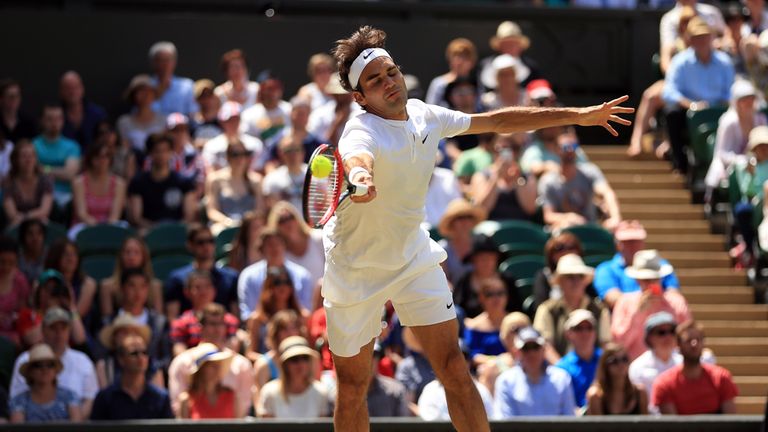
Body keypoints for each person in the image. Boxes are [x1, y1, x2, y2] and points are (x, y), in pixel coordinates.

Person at [325, 25, 631, 432]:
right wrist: (360, 178)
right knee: (352, 387)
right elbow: (357, 159)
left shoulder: (425, 114)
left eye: (391, 72)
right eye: (375, 81)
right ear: (360, 98)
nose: (388, 83)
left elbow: (499, 120)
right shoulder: (360, 130)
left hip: (412, 256)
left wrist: (578, 115)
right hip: (355, 268)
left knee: (453, 366)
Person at [663, 17, 734, 174]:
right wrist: (691, 105)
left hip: (719, 110)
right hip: (690, 111)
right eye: (697, 37)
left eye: (704, 36)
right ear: (690, 40)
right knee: (672, 113)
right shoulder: (680, 62)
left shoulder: (725, 62)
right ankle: (680, 164)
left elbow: (731, 91)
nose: (701, 40)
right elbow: (669, 92)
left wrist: (723, 103)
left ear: (711, 37)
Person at [10, 306, 98, 417]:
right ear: (43, 330)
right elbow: (16, 401)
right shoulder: (25, 360)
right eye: (53, 328)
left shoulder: (83, 361)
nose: (58, 333)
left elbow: (90, 399)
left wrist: (72, 423)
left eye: (63, 328)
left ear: (69, 330)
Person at [168, 305, 253, 417]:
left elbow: (243, 408)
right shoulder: (181, 362)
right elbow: (178, 407)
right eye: (212, 324)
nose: (217, 329)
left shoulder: (242, 364)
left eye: (221, 324)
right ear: (200, 327)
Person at [611, 250, 692, 360]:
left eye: (654, 279)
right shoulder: (624, 302)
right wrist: (637, 313)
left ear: (661, 278)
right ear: (637, 280)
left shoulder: (677, 302)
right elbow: (619, 344)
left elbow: (688, 339)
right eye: (645, 280)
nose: (650, 284)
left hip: (671, 368)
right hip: (634, 371)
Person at [627, 311, 714, 409]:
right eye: (661, 332)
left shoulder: (686, 362)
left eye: (672, 331)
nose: (668, 336)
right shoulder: (637, 367)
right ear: (649, 337)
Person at [533, 254, 610, 363]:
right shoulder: (547, 310)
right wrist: (563, 371)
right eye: (570, 277)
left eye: (580, 276)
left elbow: (605, 345)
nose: (576, 281)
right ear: (560, 281)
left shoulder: (599, 309)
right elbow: (545, 346)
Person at [651, 320, 738, 414]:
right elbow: (672, 427)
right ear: (678, 345)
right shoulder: (665, 384)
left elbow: (730, 423)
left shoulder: (721, 378)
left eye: (698, 339)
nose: (694, 344)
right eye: (688, 340)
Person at [538, 134, 621, 231]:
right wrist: (569, 218)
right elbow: (548, 215)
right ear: (556, 150)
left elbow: (607, 193)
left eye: (574, 146)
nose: (570, 150)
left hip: (590, 229)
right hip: (564, 231)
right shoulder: (548, 181)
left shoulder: (589, 172)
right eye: (565, 147)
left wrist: (615, 218)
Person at [594, 220, 680, 309]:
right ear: (618, 244)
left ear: (643, 242)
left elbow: (673, 294)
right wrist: (645, 300)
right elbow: (613, 298)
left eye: (636, 241)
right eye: (627, 241)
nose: (633, 246)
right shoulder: (606, 269)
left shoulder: (662, 266)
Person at [493, 326, 576, 417]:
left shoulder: (561, 378)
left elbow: (570, 418)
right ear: (517, 352)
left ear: (544, 349)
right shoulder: (505, 381)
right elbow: (504, 421)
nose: (531, 353)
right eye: (526, 348)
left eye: (535, 347)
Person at [704, 79, 765, 202]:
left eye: (751, 98)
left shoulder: (761, 119)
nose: (749, 102)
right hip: (732, 169)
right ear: (736, 102)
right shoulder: (728, 122)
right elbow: (722, 153)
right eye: (744, 99)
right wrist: (742, 161)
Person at [90, 334, 174, 420]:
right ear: (121, 359)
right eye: (134, 353)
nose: (141, 357)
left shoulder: (161, 398)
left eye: (144, 352)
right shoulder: (105, 398)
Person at [164, 225, 239, 320]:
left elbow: (235, 316)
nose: (206, 246)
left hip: (223, 332)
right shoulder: (176, 278)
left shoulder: (231, 277)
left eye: (210, 241)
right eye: (200, 242)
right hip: (188, 332)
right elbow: (173, 318)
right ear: (190, 245)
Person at [238, 227, 314, 320]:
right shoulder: (249, 276)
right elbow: (248, 314)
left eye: (278, 243)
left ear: (285, 246)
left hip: (293, 329)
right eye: (270, 244)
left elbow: (306, 312)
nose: (275, 248)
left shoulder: (302, 275)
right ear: (261, 248)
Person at [105, 269, 170, 374]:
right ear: (122, 289)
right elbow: (102, 356)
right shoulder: (109, 322)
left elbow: (166, 358)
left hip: (152, 379)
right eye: (132, 286)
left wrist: (146, 369)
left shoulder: (159, 323)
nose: (137, 291)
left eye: (143, 286)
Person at [127, 133, 196, 231]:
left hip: (178, 231)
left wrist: (173, 229)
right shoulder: (138, 182)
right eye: (157, 151)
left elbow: (189, 216)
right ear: (149, 153)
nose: (161, 155)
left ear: (171, 152)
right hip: (148, 231)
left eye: (165, 151)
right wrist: (157, 230)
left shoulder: (184, 182)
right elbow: (136, 218)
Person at [256, 336, 333, 418]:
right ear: (284, 365)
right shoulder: (269, 392)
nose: (301, 364)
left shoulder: (321, 392)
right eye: (294, 359)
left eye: (305, 358)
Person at [418, 341, 495, 421]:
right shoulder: (431, 390)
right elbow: (429, 424)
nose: (456, 364)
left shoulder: (481, 390)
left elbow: (490, 421)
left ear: (468, 363)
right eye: (450, 359)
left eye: (462, 359)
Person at [452, 234, 522, 318]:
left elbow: (518, 311)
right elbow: (455, 310)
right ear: (473, 260)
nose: (486, 262)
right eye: (482, 258)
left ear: (496, 259)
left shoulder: (507, 280)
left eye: (490, 258)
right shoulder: (464, 280)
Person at [8, 343, 82, 423]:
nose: (44, 369)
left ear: (55, 370)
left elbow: (77, 427)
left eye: (50, 365)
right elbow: (17, 429)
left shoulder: (70, 396)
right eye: (38, 365)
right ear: (30, 371)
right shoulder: (19, 401)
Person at [204, 138, 264, 234]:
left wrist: (244, 225)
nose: (240, 159)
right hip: (224, 226)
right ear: (227, 157)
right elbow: (212, 211)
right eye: (235, 154)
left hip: (249, 229)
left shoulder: (256, 181)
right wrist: (228, 222)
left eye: (244, 154)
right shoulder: (215, 179)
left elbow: (259, 211)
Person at [170, 274, 239, 356]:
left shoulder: (229, 320)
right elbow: (179, 352)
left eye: (207, 286)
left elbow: (232, 346)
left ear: (214, 290)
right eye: (197, 287)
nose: (203, 291)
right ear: (187, 292)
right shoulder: (181, 323)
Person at [70, 139, 127, 236]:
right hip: (85, 225)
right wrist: (97, 227)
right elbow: (81, 213)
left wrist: (105, 229)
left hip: (110, 226)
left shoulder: (119, 184)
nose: (102, 161)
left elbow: (115, 215)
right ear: (91, 159)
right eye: (98, 157)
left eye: (105, 157)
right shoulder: (79, 182)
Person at [99, 236, 163, 320]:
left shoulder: (154, 286)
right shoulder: (107, 287)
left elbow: (159, 321)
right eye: (127, 252)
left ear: (144, 257)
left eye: (136, 253)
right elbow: (107, 321)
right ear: (120, 256)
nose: (131, 257)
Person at [470, 142, 538, 222]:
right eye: (500, 150)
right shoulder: (482, 175)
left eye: (513, 148)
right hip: (491, 229)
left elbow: (530, 209)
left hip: (521, 227)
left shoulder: (526, 176)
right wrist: (496, 177)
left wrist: (517, 178)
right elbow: (482, 209)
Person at [532, 232, 598, 312]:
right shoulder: (544, 276)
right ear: (551, 254)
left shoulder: (584, 273)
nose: (566, 251)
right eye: (559, 248)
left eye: (571, 247)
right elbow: (540, 307)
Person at [44, 239, 98, 335]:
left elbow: (79, 314)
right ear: (56, 257)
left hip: (78, 331)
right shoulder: (46, 282)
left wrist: (70, 302)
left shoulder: (88, 284)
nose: (70, 258)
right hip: (50, 329)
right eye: (66, 254)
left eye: (73, 254)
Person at [268, 201, 325, 288]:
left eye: (290, 217)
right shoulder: (279, 253)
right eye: (282, 221)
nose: (288, 223)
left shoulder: (318, 238)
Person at [32, 104, 81, 204]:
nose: (54, 123)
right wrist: (60, 170)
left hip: (66, 197)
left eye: (58, 118)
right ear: (42, 121)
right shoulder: (33, 145)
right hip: (38, 195)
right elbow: (32, 171)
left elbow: (69, 174)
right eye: (50, 119)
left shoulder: (72, 146)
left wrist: (45, 169)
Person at [178, 344, 242, 419]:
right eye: (212, 365)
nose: (217, 368)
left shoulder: (232, 395)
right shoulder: (186, 399)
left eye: (218, 364)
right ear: (202, 369)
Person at [95, 313, 158, 388]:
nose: (128, 336)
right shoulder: (104, 365)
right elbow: (105, 395)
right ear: (114, 337)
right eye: (123, 332)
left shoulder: (150, 362)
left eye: (133, 332)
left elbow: (157, 393)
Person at [555, 310, 603, 409]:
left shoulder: (608, 360)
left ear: (595, 332)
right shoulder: (561, 368)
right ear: (568, 334)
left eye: (589, 328)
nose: (585, 333)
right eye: (579, 328)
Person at [2, 139, 53, 228]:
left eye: (31, 155)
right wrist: (24, 219)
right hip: (17, 225)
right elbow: (12, 214)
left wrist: (25, 216)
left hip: (39, 223)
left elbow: (44, 211)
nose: (28, 159)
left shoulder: (45, 181)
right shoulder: (9, 182)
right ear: (16, 160)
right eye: (24, 156)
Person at [585, 342, 648, 415]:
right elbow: (597, 426)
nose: (620, 364)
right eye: (614, 361)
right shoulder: (596, 395)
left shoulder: (640, 392)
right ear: (604, 365)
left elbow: (646, 425)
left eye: (624, 359)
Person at [202, 101, 264, 172]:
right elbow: (210, 172)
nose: (233, 123)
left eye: (236, 119)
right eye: (229, 120)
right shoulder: (211, 146)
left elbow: (258, 170)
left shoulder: (255, 144)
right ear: (222, 122)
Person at [436, 199, 485, 285]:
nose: (465, 221)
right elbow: (443, 280)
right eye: (460, 218)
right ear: (451, 223)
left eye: (468, 217)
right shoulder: (442, 248)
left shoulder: (481, 244)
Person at [463, 277, 509, 367]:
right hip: (487, 370)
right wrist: (499, 361)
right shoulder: (473, 326)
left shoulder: (517, 321)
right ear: (481, 298)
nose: (496, 298)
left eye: (500, 293)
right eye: (490, 294)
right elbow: (473, 357)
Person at [240, 72, 292, 149]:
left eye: (276, 88)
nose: (273, 92)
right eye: (269, 89)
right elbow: (245, 140)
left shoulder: (289, 110)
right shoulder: (248, 114)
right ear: (261, 91)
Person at [116, 74, 166, 154]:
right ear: (133, 96)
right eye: (141, 91)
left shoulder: (164, 120)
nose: (145, 95)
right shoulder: (123, 122)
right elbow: (123, 149)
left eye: (149, 91)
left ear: (154, 94)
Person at [59, 71, 107, 151]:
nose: (72, 92)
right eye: (68, 88)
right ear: (61, 91)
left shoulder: (98, 114)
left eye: (75, 87)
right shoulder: (55, 115)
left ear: (82, 89)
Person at [148, 41, 198, 117]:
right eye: (160, 60)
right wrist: (157, 95)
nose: (164, 64)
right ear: (153, 62)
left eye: (168, 60)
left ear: (174, 62)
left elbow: (194, 114)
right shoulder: (146, 86)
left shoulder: (187, 86)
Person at [425, 38, 478, 108]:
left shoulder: (477, 84)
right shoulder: (439, 84)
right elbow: (430, 111)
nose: (460, 61)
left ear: (472, 61)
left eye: (465, 57)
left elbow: (480, 109)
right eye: (457, 56)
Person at [261, 134, 307, 211]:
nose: (293, 155)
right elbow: (273, 210)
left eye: (296, 149)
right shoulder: (272, 179)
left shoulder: (315, 175)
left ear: (303, 152)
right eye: (288, 151)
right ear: (281, 154)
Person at [0, 236, 30, 345]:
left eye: (11, 262)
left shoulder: (20, 281)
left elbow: (23, 311)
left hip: (13, 332)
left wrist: (13, 318)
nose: (6, 267)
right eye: (2, 262)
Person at [367, 341, 409, 417]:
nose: (368, 360)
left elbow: (403, 426)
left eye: (374, 355)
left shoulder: (396, 390)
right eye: (362, 355)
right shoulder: (340, 392)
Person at [0, 79, 37, 144]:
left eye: (17, 96)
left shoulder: (28, 123)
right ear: (1, 99)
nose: (14, 100)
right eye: (11, 97)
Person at [191, 79, 223, 148]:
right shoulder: (191, 123)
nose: (207, 100)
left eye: (209, 95)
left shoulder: (224, 120)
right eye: (203, 96)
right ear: (196, 100)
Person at [16, 219, 47, 287]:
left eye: (39, 233)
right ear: (23, 236)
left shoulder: (50, 256)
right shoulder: (16, 256)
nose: (35, 238)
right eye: (30, 233)